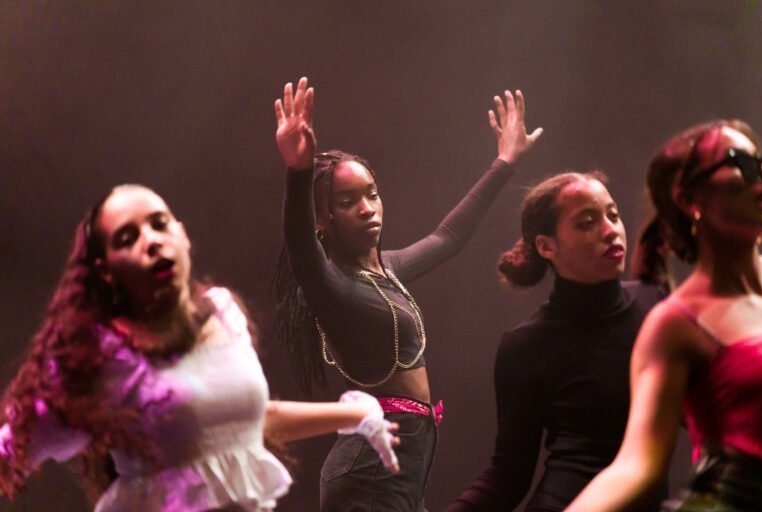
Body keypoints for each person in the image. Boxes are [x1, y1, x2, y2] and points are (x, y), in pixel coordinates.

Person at [0, 183, 399, 512]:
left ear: (183, 235)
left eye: (159, 224)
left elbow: (246, 420)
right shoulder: (98, 361)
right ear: (105, 271)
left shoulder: (222, 314)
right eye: (128, 237)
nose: (151, 241)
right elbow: (12, 448)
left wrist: (358, 413)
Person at [273, 76, 542, 511]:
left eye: (372, 195)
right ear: (324, 218)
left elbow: (449, 237)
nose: (367, 208)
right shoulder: (331, 285)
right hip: (367, 470)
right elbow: (300, 242)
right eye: (347, 202)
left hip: (402, 462)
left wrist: (505, 161)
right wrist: (299, 171)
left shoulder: (389, 270)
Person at [565, 120, 762, 512]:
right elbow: (635, 465)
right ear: (689, 197)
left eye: (761, 161)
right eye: (739, 161)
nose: (761, 173)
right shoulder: (676, 323)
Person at [444, 170, 668, 512]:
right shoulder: (525, 345)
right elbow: (508, 477)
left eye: (613, 215)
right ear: (546, 246)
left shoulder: (659, 307)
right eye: (587, 222)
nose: (611, 230)